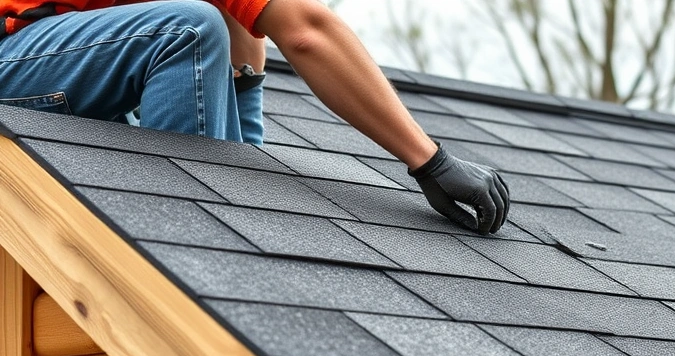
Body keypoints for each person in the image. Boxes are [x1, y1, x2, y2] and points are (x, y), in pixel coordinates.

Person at [0, 0, 509, 234]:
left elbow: (255, 42)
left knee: (218, 24)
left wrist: (254, 204)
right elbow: (308, 31)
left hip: (62, 70)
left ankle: (220, 244)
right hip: (14, 58)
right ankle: (185, 250)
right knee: (188, 30)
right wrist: (430, 161)